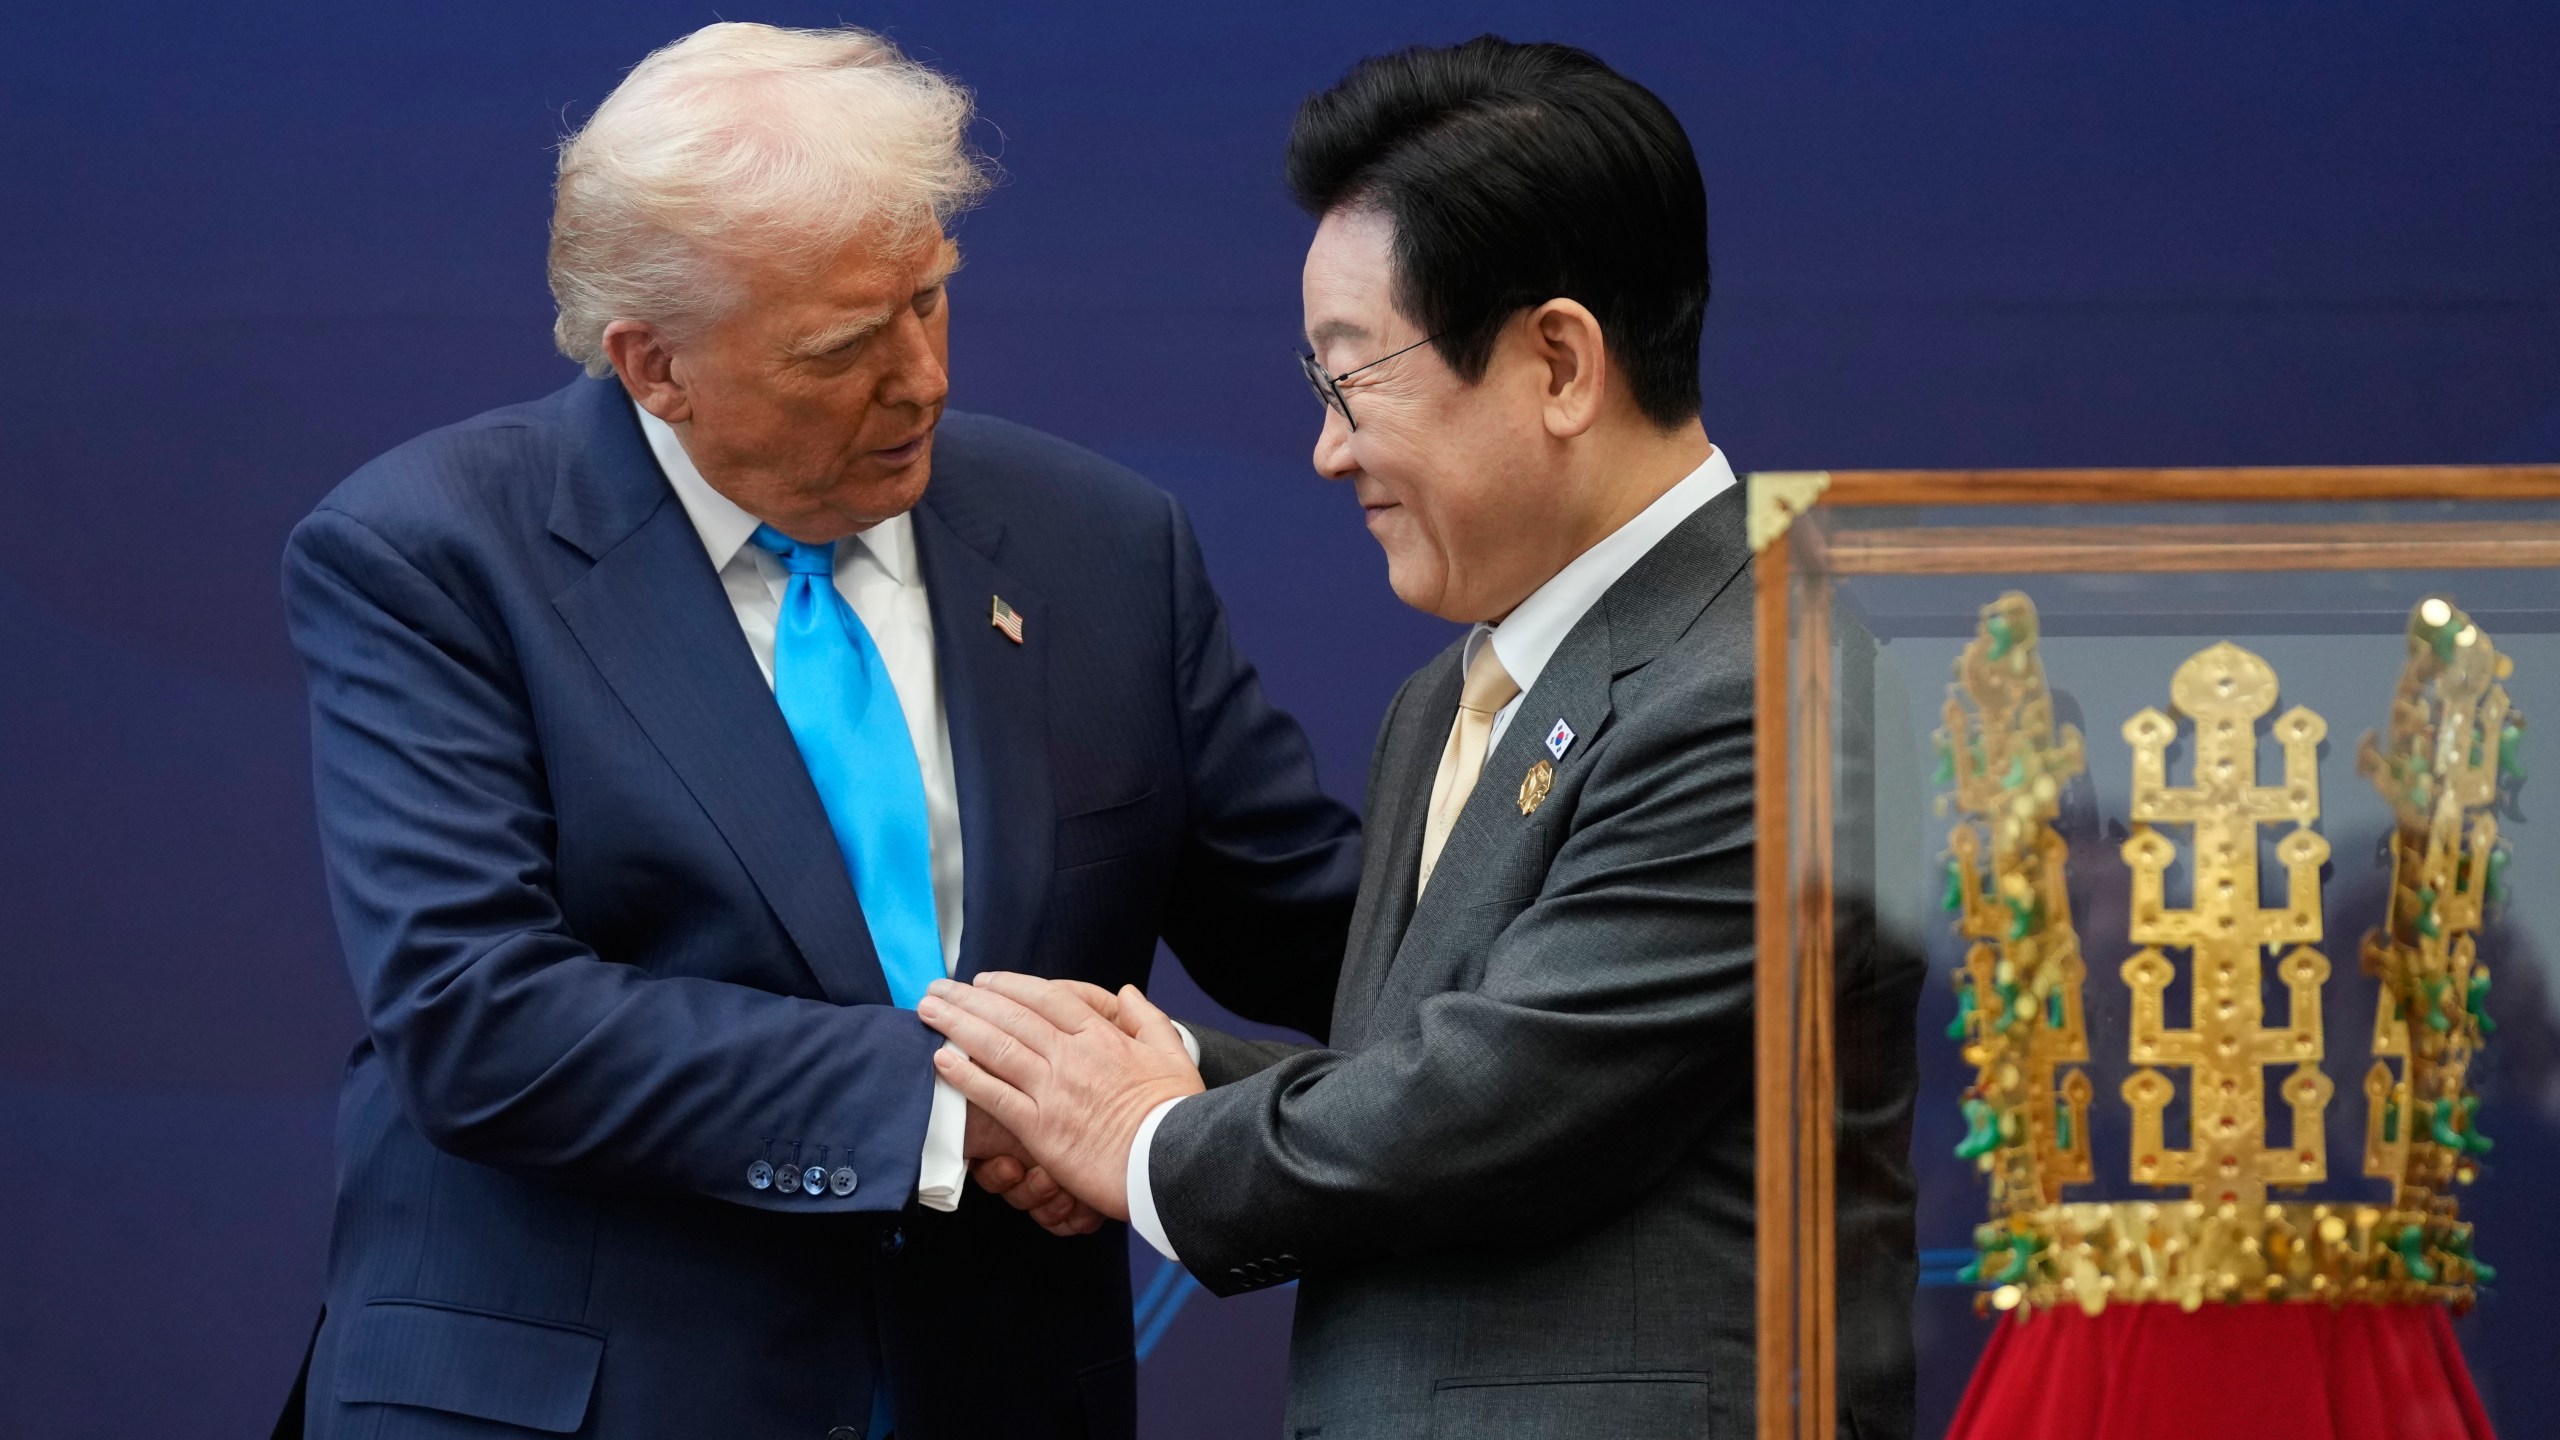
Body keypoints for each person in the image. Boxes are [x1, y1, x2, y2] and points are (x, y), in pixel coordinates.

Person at [278, 23, 1359, 1440]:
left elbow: (1326, 935)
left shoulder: (1098, 543)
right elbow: (479, 1018)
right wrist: (981, 1105)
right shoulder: (432, 553)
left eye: (930, 300)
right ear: (652, 365)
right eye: (844, 348)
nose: (920, 378)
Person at [922, 37, 1918, 1440]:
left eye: (1352, 380)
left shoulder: (1764, 688)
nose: (1328, 450)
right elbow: (1438, 1072)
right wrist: (1154, 1073)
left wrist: (1138, 1132)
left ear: (1559, 362)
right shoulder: (1447, 698)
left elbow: (1498, 1109)